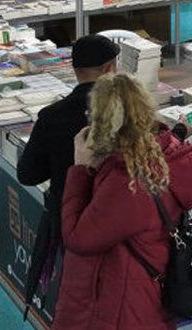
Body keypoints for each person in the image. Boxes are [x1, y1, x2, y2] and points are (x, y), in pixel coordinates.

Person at [47, 72, 192, 330]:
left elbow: (78, 238)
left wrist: (80, 170)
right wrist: (179, 131)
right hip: (152, 294)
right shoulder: (167, 156)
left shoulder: (126, 182)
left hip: (122, 306)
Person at [17, 34, 120, 313]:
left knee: (77, 291)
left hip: (70, 217)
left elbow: (27, 174)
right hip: (116, 215)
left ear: (75, 70)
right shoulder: (126, 112)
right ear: (110, 69)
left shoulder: (52, 116)